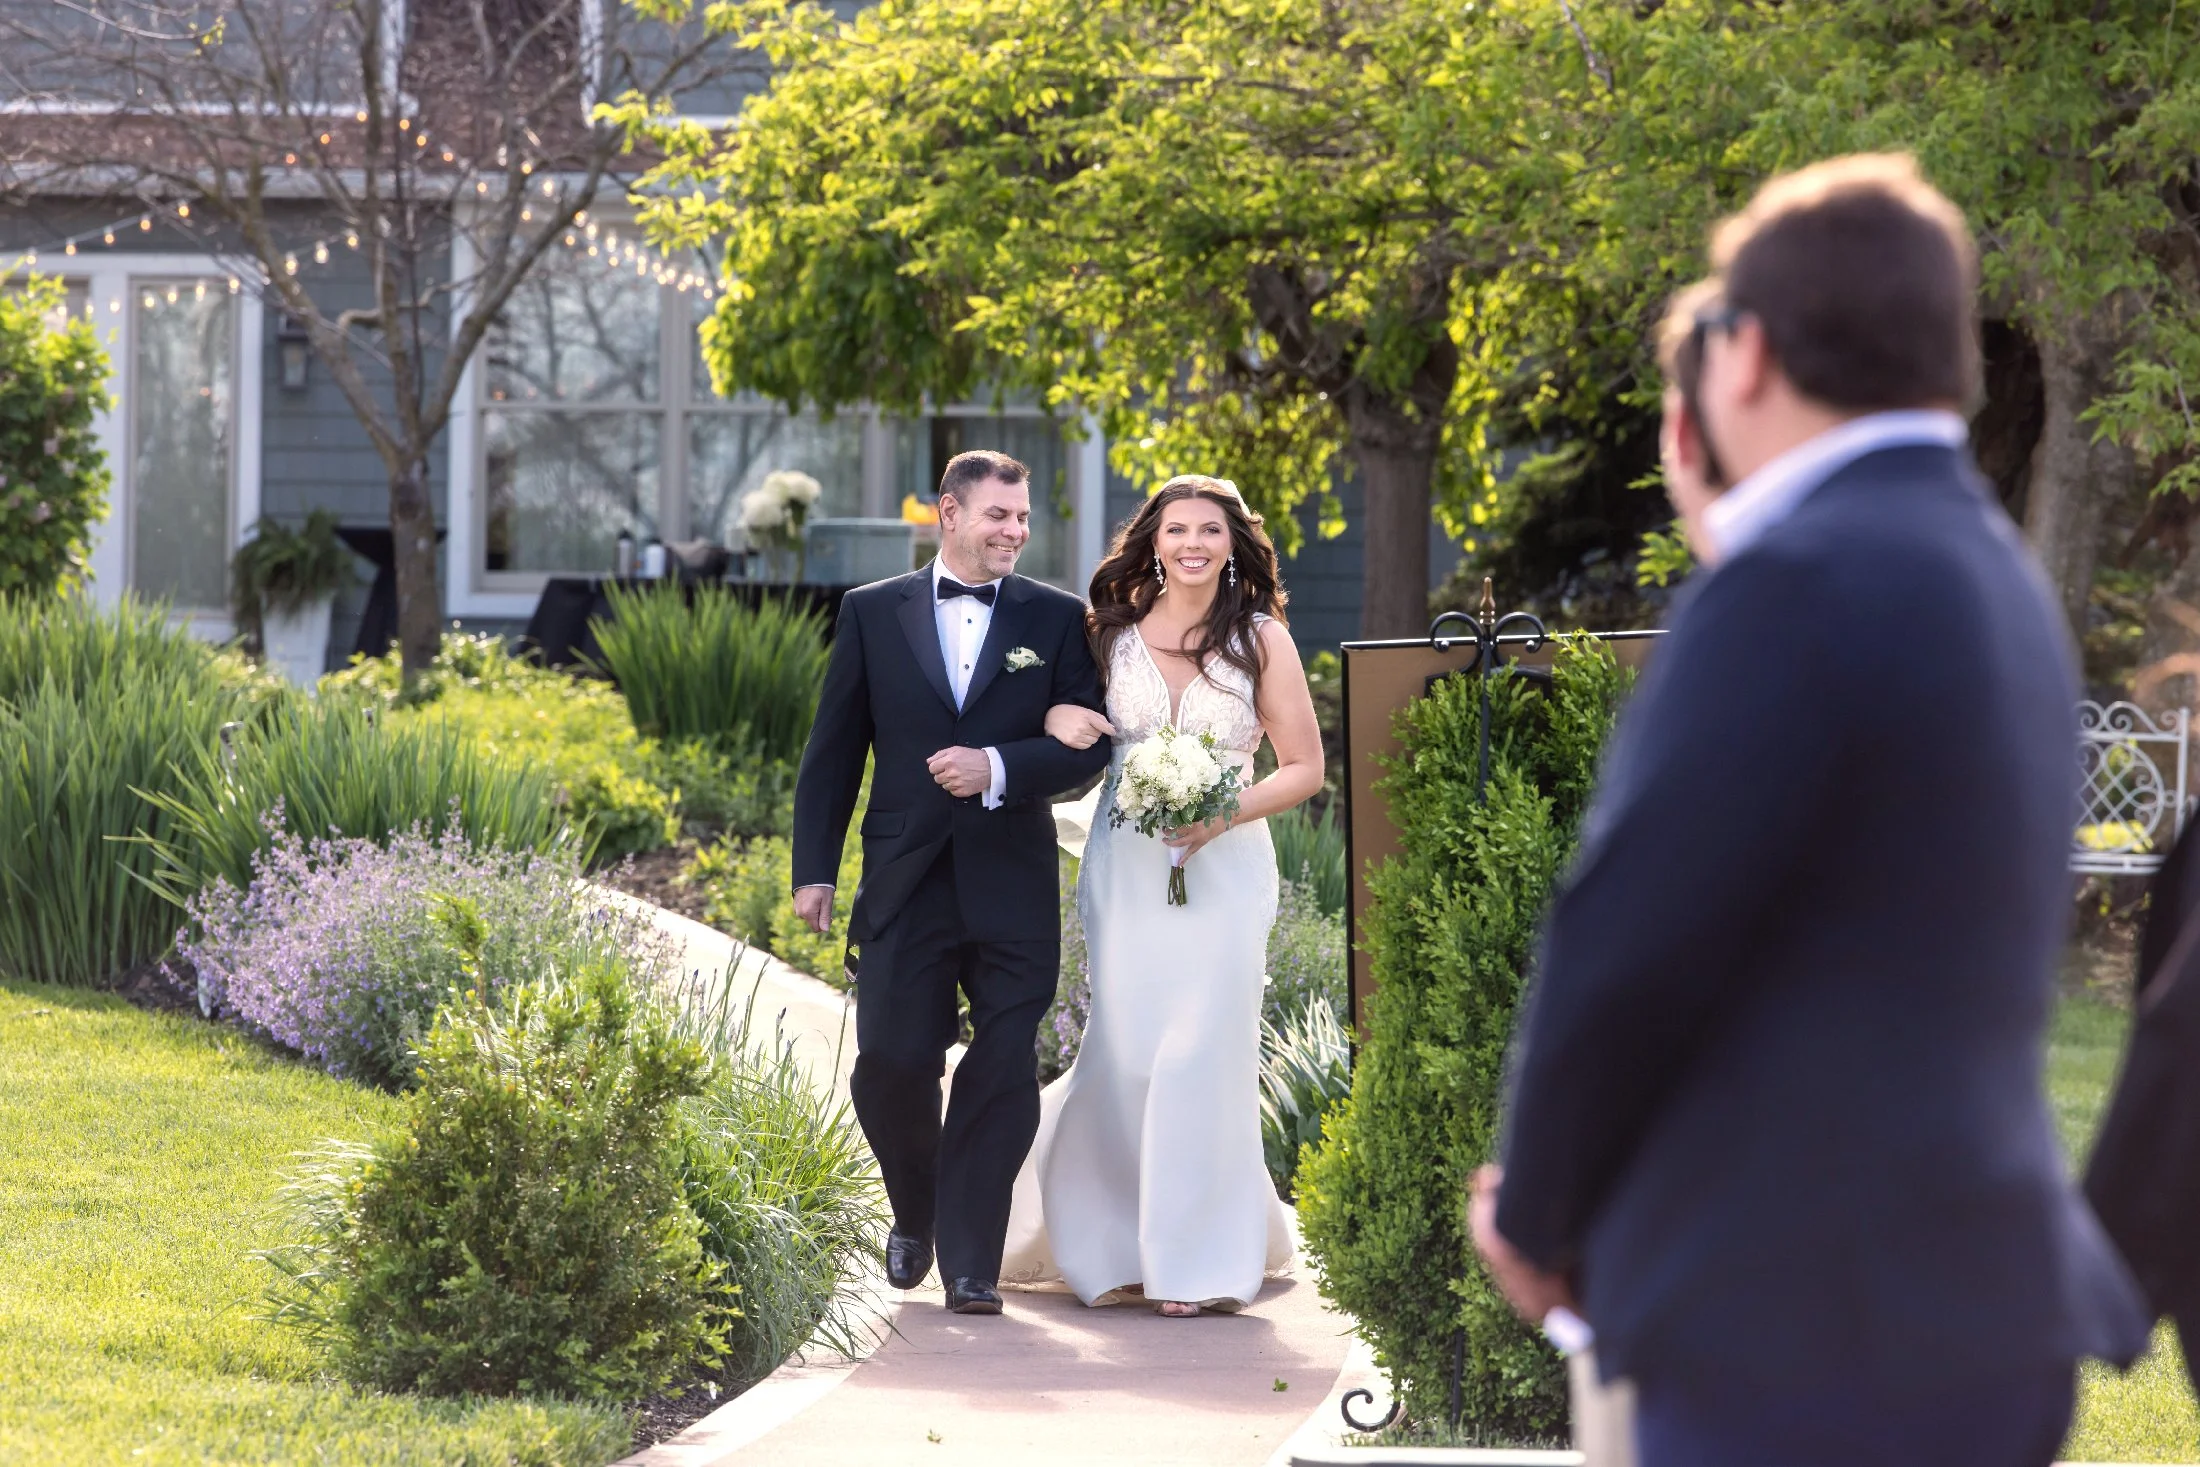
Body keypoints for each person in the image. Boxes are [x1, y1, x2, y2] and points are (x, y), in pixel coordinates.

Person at [1468, 153, 2151, 1466]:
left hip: (1806, 1320)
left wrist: (1538, 1210)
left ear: (1746, 353)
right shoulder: (1985, 568)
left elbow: (1628, 927)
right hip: (1968, 1307)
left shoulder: (1798, 580)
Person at [790, 449, 1112, 1316]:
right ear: (949, 513)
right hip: (905, 877)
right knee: (892, 1061)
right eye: (997, 516)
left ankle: (972, 1264)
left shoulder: (1057, 619)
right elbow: (834, 749)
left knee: (1002, 1070)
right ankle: (916, 1209)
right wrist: (813, 869)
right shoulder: (870, 612)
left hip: (1011, 881)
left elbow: (1092, 746)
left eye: (1023, 518)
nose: (1013, 531)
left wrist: (999, 765)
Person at [997, 475, 1326, 1316]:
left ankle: (1198, 1261)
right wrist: (1058, 726)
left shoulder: (1262, 641)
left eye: (1208, 530)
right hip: (1127, 868)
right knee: (1129, 1048)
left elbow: (1304, 769)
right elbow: (1058, 720)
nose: (1191, 543)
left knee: (1201, 1054)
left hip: (1227, 867)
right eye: (1176, 528)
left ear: (1231, 542)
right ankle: (1108, 1241)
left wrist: (1222, 814)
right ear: (1152, 540)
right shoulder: (1108, 633)